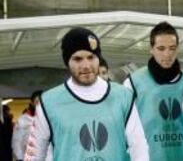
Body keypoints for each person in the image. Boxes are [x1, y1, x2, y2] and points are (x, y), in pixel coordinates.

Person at [25, 27, 149, 161]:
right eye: (78, 59)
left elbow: (139, 146)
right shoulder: (48, 103)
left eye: (91, 57)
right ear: (67, 62)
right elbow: (35, 154)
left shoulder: (123, 96)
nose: (86, 65)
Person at [123, 22, 183, 161]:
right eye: (161, 48)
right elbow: (126, 128)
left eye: (172, 48)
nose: (167, 54)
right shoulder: (133, 83)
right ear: (151, 49)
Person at [12, 90, 42, 161]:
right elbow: (17, 140)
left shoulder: (50, 118)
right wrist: (19, 158)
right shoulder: (23, 120)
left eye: (42, 102)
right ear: (32, 103)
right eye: (37, 102)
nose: (40, 105)